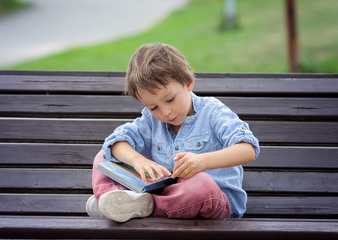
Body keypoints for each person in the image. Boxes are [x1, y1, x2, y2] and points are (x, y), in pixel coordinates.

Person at [86, 43, 260, 222]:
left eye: (170, 100)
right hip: (172, 196)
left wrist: (203, 161)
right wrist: (138, 161)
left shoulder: (213, 112)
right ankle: (114, 201)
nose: (165, 112)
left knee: (201, 184)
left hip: (214, 201)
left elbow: (248, 149)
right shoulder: (152, 120)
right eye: (153, 107)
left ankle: (140, 207)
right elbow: (116, 142)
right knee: (105, 156)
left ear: (188, 83)